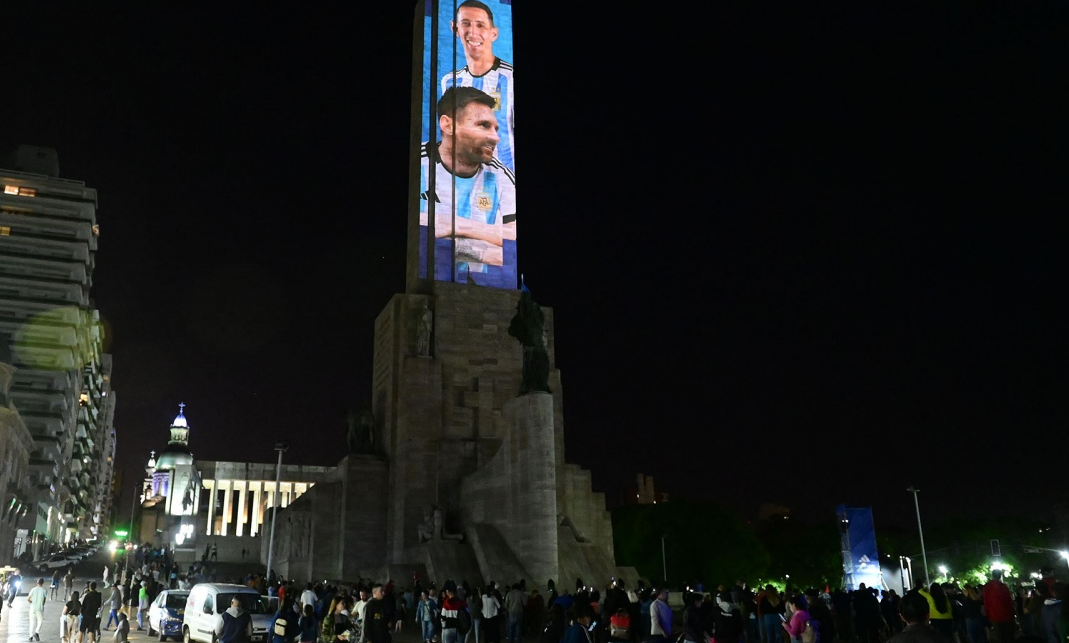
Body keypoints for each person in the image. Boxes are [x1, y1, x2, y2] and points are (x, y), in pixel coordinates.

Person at [419, 86, 516, 285]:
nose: (495, 137)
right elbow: (414, 239)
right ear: (448, 125)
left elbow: (513, 245)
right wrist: (486, 246)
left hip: (482, 288)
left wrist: (453, 224)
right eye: (483, 125)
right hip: (426, 285)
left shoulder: (500, 175)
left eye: (496, 128)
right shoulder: (417, 165)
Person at [441, 0, 515, 172]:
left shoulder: (510, 78)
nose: (473, 32)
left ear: (493, 34)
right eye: (466, 24)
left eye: (480, 25)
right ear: (455, 28)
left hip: (508, 180)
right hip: (469, 177)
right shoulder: (450, 81)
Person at [982, 570, 1016, 643]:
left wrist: (988, 615)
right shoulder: (1003, 586)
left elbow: (986, 603)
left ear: (992, 575)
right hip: (1006, 615)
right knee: (1009, 636)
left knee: (1000, 637)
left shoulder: (987, 587)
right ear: (1000, 576)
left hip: (994, 615)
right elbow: (1009, 601)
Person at [28, 577, 48, 642]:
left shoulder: (33, 589)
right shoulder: (44, 590)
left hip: (32, 608)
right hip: (39, 608)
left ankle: (30, 636)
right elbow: (44, 600)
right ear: (42, 583)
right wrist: (42, 605)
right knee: (40, 621)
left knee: (32, 622)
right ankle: (37, 632)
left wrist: (32, 603)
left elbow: (28, 599)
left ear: (37, 582)